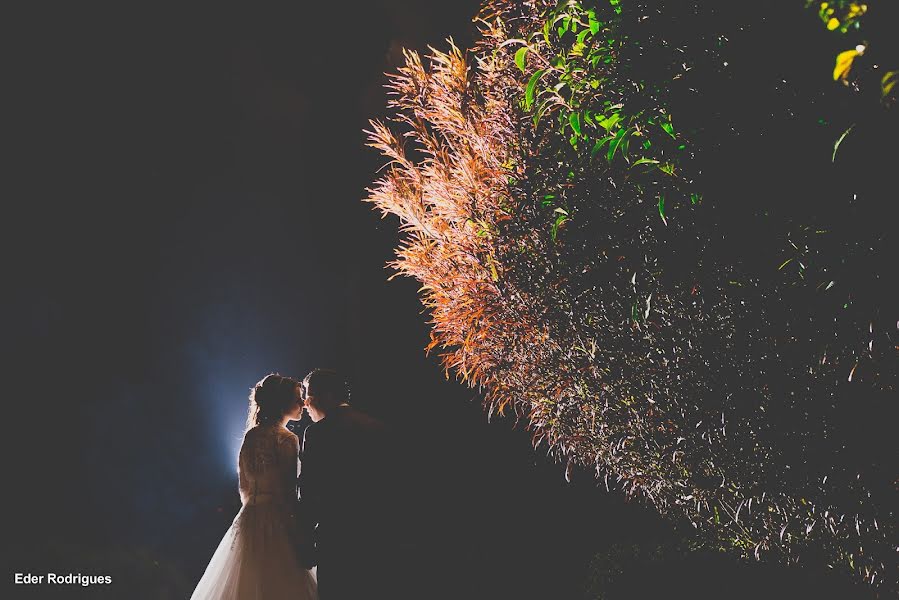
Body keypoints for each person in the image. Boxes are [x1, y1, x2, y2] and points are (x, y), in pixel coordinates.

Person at [191, 374, 318, 600]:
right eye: (298, 398)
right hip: (278, 519)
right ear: (282, 403)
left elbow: (244, 486)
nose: (303, 403)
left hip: (249, 518)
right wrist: (298, 531)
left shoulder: (251, 435)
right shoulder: (287, 439)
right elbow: (288, 493)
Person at [298, 368, 393, 600]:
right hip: (377, 533)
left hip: (336, 537)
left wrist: (304, 537)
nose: (305, 404)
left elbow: (310, 489)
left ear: (327, 395)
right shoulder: (377, 427)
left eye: (309, 395)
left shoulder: (317, 433)